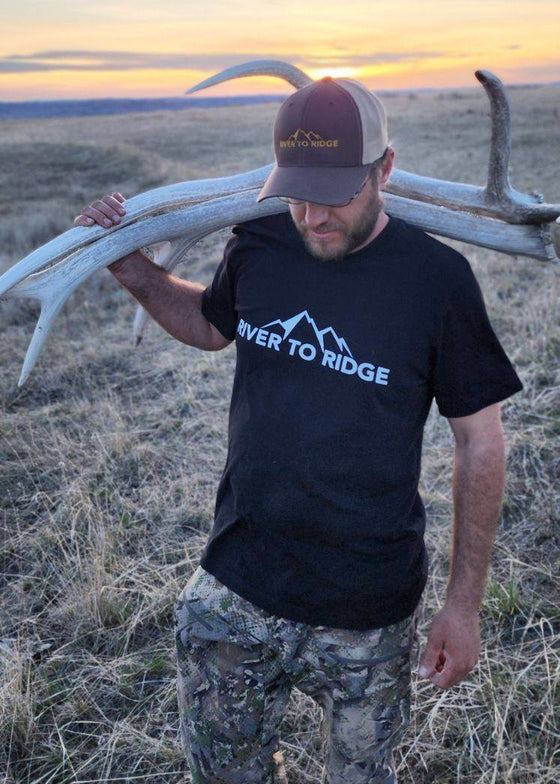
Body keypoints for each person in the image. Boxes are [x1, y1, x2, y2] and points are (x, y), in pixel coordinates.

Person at [74, 76, 524, 784]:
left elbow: (481, 440)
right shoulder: (259, 238)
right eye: (299, 193)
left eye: (337, 195)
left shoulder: (437, 281)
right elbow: (215, 325)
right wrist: (136, 272)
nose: (313, 217)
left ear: (386, 169)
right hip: (237, 581)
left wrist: (462, 606)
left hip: (366, 611)